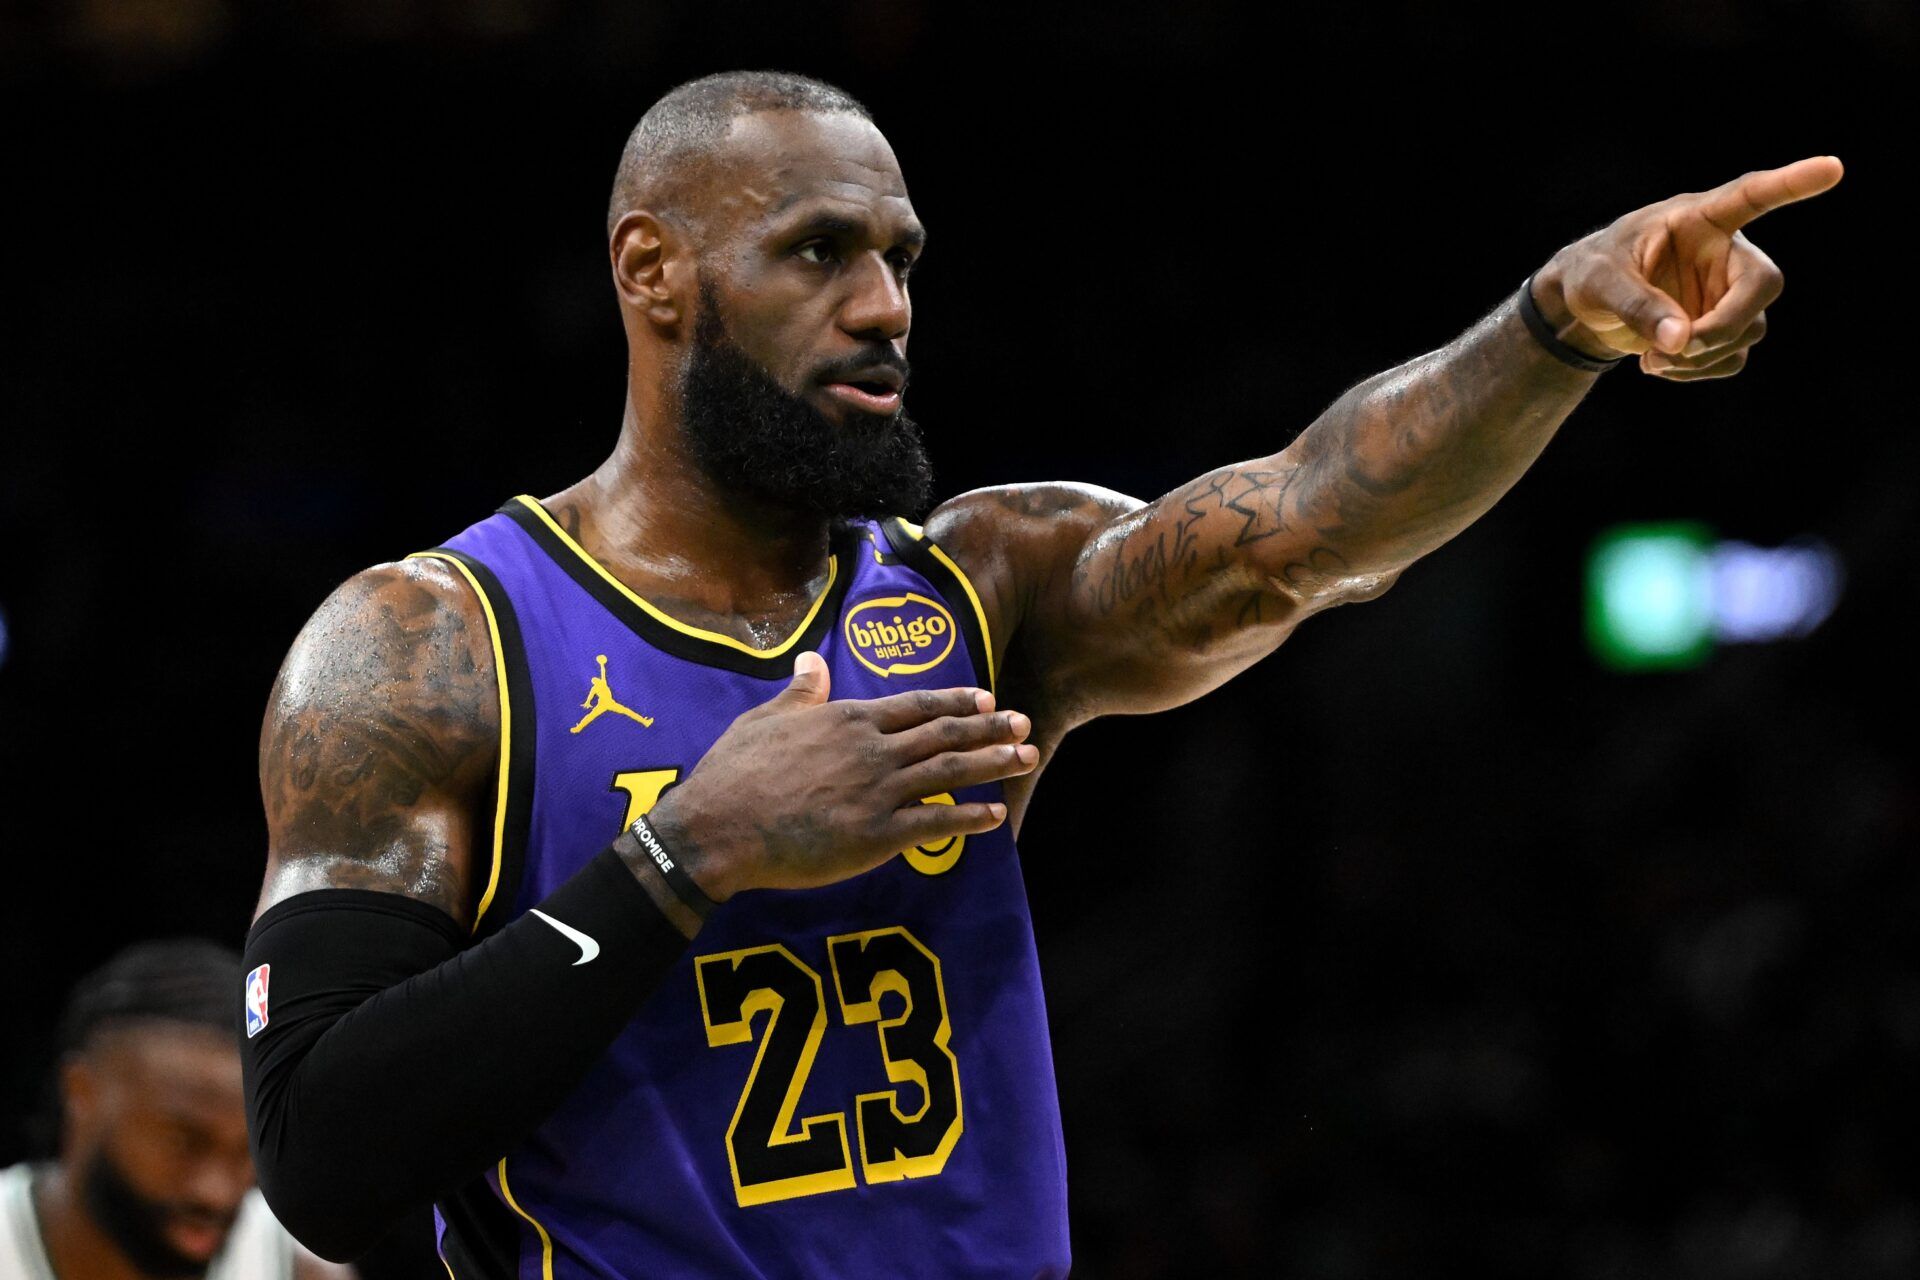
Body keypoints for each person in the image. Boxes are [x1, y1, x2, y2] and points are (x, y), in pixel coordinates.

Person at [238, 70, 1839, 1278]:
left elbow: (1298, 525)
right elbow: (320, 1150)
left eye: (902, 259)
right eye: (818, 255)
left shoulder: (982, 584)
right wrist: (683, 858)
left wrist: (1551, 323)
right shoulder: (427, 645)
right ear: (654, 272)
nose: (884, 310)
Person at [2, 941, 351, 1280]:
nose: (214, 1192)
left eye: (248, 1151)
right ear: (81, 1092)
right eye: (182, 1141)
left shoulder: (297, 1267)